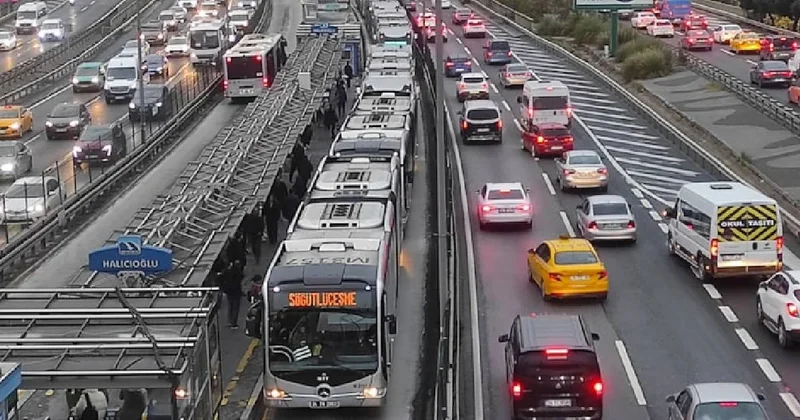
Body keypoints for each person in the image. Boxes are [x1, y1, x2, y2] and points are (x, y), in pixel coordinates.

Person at [222, 261, 244, 329]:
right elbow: (241, 277)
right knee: (235, 308)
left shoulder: (228, 271)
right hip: (236, 292)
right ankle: (234, 323)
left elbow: (223, 277)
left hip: (229, 291)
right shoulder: (238, 273)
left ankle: (229, 321)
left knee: (230, 306)